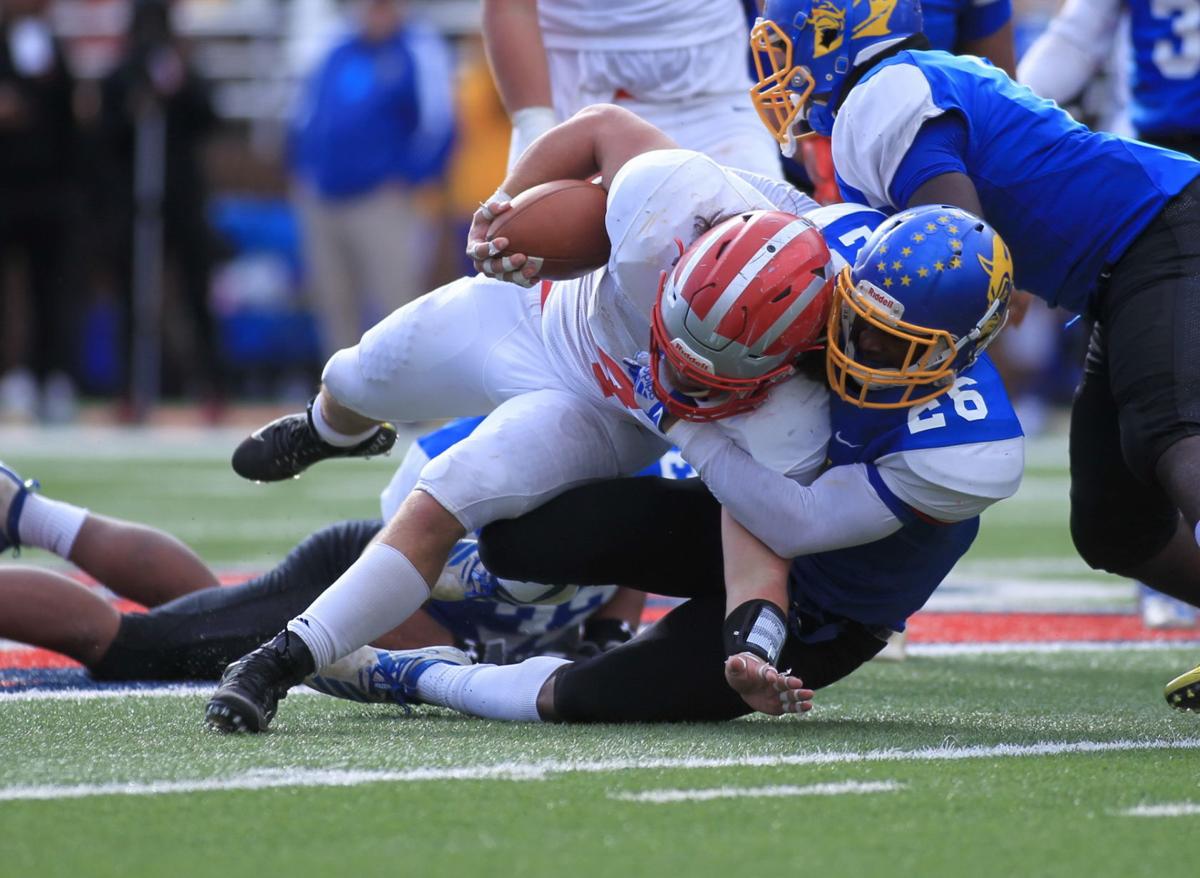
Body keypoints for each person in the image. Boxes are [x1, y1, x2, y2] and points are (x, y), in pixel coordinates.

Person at [204, 105, 852, 733]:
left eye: (702, 369)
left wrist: (754, 646)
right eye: (675, 332)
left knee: (445, 494)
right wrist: (504, 205)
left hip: (604, 411)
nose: (675, 365)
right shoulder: (668, 199)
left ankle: (275, 661)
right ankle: (331, 428)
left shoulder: (788, 418)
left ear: (773, 368)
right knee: (353, 373)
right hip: (540, 314)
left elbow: (756, 547)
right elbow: (602, 126)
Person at [306, 205, 1023, 722]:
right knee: (526, 538)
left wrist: (677, 418)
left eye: (892, 345)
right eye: (858, 323)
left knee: (587, 698)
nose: (858, 351)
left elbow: (796, 525)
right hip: (731, 518)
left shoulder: (970, 447)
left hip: (828, 605)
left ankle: (415, 677)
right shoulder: (829, 244)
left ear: (958, 354)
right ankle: (474, 573)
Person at [749, 0, 1200, 710]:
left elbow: (955, 239)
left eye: (788, 48)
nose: (779, 72)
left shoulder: (882, 94)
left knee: (1170, 429)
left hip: (1162, 231)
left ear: (837, 34)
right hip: (1130, 259)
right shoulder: (899, 87)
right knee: (1116, 526)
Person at [0, 424, 637, 686]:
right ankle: (28, 514)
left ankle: (20, 511)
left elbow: (640, 550)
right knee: (136, 649)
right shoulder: (515, 436)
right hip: (363, 578)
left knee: (196, 619)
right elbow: (404, 560)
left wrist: (609, 636)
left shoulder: (641, 454)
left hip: (411, 593)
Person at [289, 0, 456, 358]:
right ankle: (344, 409)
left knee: (398, 305)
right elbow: (306, 115)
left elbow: (439, 124)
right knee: (334, 306)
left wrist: (408, 177)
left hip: (381, 201)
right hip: (322, 197)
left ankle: (414, 408)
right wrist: (305, 170)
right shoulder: (335, 47)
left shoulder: (416, 48)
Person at [483, 0, 782, 178]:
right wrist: (537, 131)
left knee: (765, 258)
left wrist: (798, 105)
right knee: (544, 264)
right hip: (572, 99)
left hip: (715, 99)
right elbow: (511, 8)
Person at [98, 0, 223, 416]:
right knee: (134, 297)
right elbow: (104, 136)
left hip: (181, 199)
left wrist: (179, 88)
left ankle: (209, 385)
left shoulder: (182, 70)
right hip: (135, 204)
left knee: (194, 295)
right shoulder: (120, 74)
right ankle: (130, 388)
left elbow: (208, 117)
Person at [0, 0, 80, 423]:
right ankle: (13, 375)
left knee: (50, 286)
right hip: (7, 187)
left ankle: (50, 373)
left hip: (49, 190)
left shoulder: (54, 48)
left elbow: (71, 120)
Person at [1018, 0, 1200, 159]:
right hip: (1149, 142)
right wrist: (1017, 104)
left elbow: (1073, 40)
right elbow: (1075, 39)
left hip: (1150, 136)